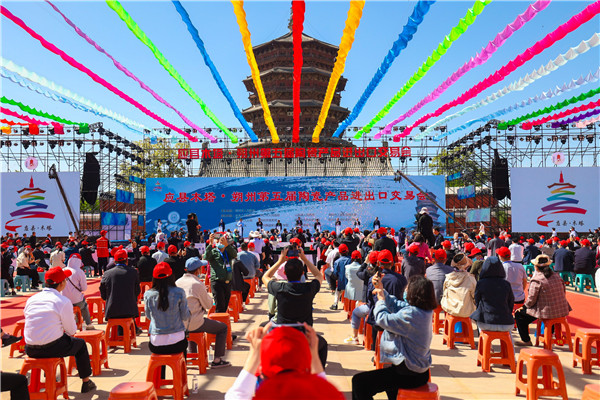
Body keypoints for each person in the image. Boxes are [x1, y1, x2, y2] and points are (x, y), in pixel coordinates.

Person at [352, 275, 436, 400]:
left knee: (359, 382)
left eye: (408, 288)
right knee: (389, 384)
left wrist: (380, 301)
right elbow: (397, 304)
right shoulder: (424, 311)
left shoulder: (412, 314)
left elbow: (382, 319)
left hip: (409, 374)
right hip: (417, 371)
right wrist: (381, 290)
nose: (405, 290)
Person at [24, 266, 97, 393]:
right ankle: (86, 381)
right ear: (61, 283)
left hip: (30, 348)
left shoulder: (31, 299)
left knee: (51, 336)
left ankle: (48, 375)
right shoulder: (63, 301)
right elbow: (71, 331)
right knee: (80, 344)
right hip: (52, 348)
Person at [225, 323, 342, 400]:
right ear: (307, 367)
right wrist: (314, 355)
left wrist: (255, 353)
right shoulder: (330, 394)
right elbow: (323, 388)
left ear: (262, 372)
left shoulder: (264, 396)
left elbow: (237, 395)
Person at [262, 246, 327, 366]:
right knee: (323, 344)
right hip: (303, 333)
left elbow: (265, 277)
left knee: (262, 327)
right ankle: (318, 371)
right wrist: (305, 259)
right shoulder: (309, 288)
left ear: (284, 273)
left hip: (282, 332)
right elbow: (319, 275)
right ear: (302, 273)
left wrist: (280, 261)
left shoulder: (279, 288)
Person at [177, 257, 231, 368]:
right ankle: (217, 359)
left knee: (192, 323)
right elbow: (208, 305)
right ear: (198, 270)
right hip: (194, 322)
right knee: (222, 328)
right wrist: (205, 294)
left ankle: (193, 354)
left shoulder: (177, 282)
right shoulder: (197, 283)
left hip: (179, 323)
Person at [514, 254, 571, 346]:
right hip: (561, 309)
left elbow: (531, 300)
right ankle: (549, 335)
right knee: (551, 314)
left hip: (547, 311)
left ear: (536, 267)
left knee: (519, 315)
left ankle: (526, 340)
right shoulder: (557, 276)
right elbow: (563, 292)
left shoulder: (537, 280)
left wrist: (523, 307)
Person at [144, 262, 190, 358]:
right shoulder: (179, 292)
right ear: (171, 276)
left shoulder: (148, 294)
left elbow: (148, 316)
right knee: (183, 349)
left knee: (159, 359)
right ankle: (182, 367)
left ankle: (161, 369)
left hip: (156, 343)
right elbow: (185, 316)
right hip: (177, 342)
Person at [100, 249, 141, 334]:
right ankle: (129, 331)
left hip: (112, 310)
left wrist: (107, 298)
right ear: (126, 261)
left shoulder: (107, 273)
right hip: (130, 310)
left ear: (114, 261)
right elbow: (137, 291)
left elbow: (102, 291)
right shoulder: (133, 272)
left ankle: (120, 334)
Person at [470, 257, 514, 335]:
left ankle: (485, 343)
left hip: (486, 322)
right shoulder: (506, 284)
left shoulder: (481, 283)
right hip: (506, 323)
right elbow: (511, 303)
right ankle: (508, 343)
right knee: (508, 336)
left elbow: (477, 301)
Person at [204, 233, 238, 313]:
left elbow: (235, 254)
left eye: (222, 240)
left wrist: (227, 245)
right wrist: (210, 243)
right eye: (218, 240)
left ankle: (223, 319)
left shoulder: (228, 251)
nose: (220, 242)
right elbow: (206, 257)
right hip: (217, 281)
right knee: (220, 306)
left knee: (225, 304)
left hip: (227, 281)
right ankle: (220, 319)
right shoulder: (213, 251)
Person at [62, 254, 94, 330]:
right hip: (77, 301)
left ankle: (74, 324)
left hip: (64, 300)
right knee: (84, 306)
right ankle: (88, 324)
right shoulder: (79, 272)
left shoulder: (63, 270)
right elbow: (84, 288)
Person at [441, 254, 476, 318]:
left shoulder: (449, 277)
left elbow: (444, 291)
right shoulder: (470, 278)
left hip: (449, 308)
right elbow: (475, 296)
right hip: (466, 311)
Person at [331, 244, 352, 310]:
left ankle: (335, 304)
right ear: (347, 251)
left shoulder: (337, 262)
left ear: (339, 252)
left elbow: (335, 273)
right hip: (350, 282)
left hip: (341, 281)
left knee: (338, 291)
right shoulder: (351, 260)